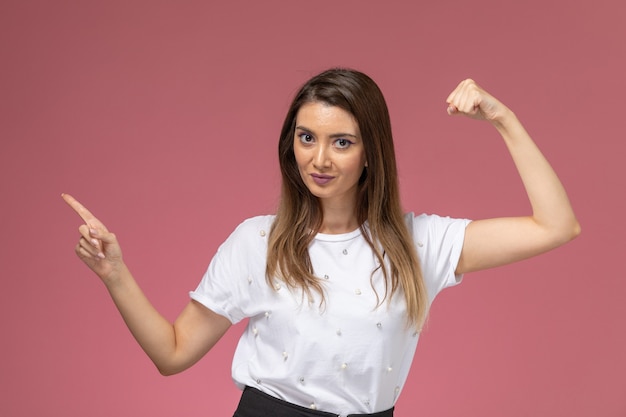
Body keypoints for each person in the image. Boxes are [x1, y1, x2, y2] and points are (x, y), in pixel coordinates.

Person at [62, 68, 580, 417]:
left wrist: (502, 119)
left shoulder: (420, 243)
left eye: (342, 142)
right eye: (307, 137)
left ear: (371, 152)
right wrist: (115, 273)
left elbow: (556, 226)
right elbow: (172, 353)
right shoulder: (257, 242)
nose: (320, 160)